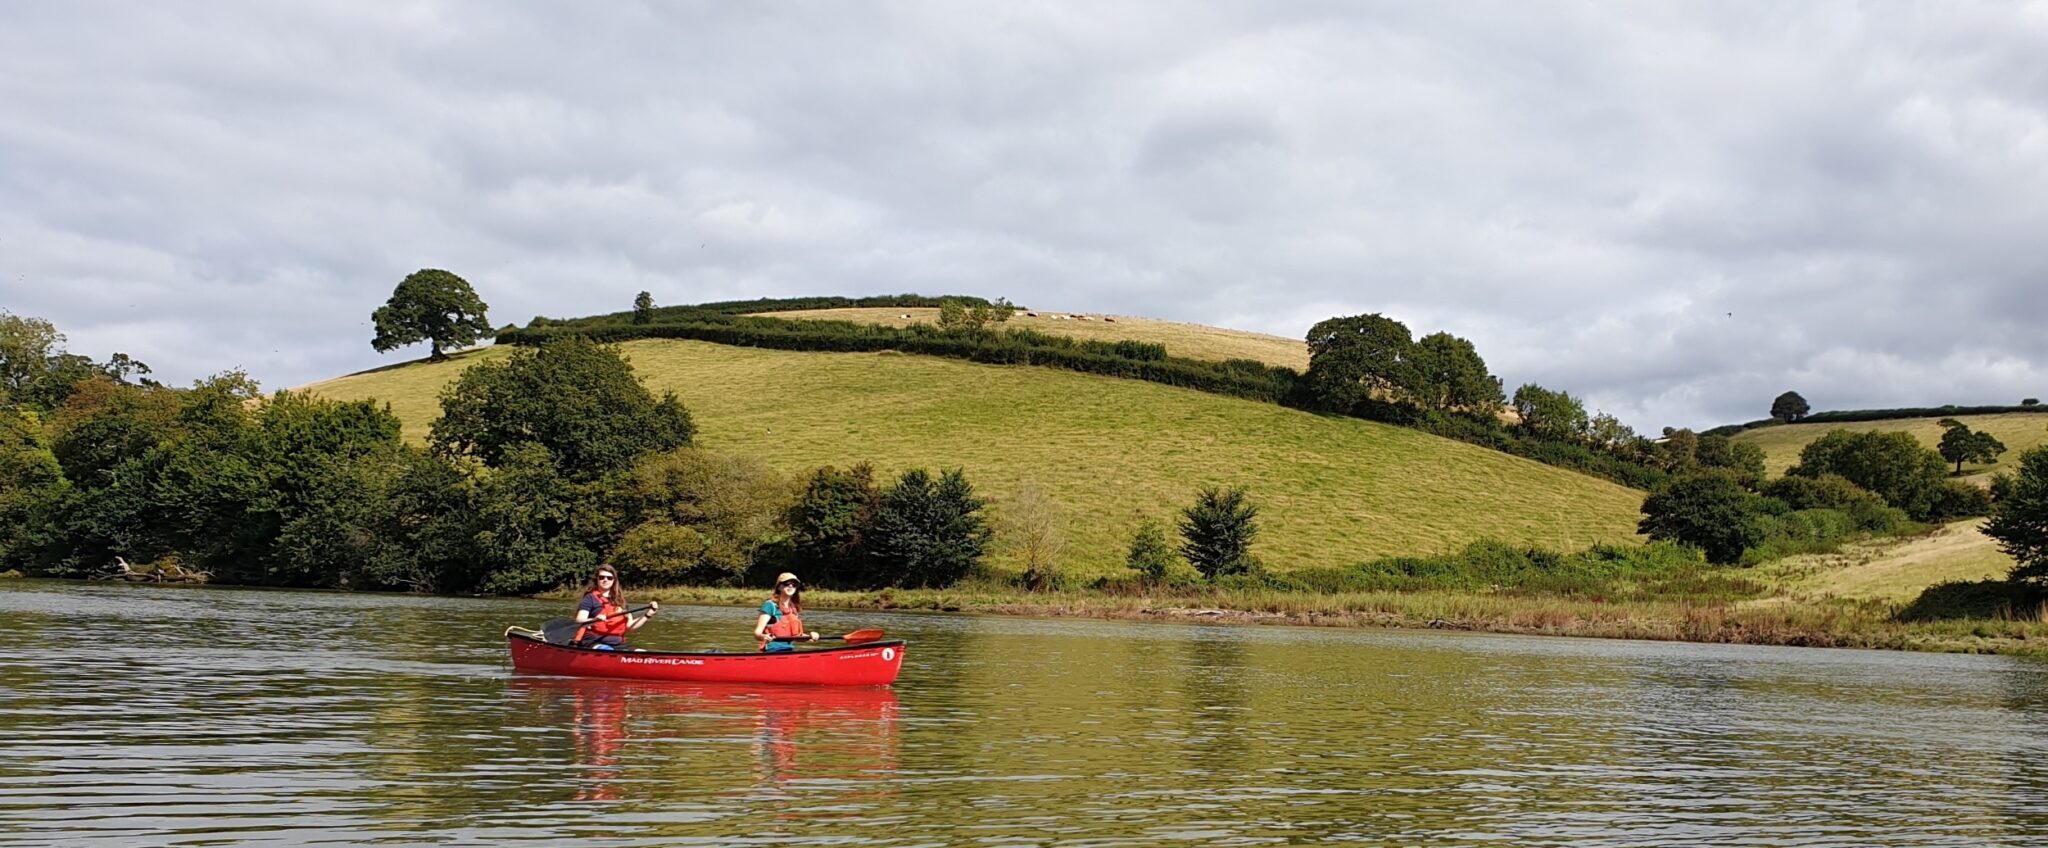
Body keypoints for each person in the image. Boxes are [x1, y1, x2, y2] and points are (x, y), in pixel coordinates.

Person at [574, 565, 657, 650]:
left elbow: (631, 627)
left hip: (617, 644)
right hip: (594, 641)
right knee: (607, 650)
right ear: (597, 580)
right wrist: (595, 619)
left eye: (609, 578)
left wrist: (647, 614)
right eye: (602, 577)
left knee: (643, 652)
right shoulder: (590, 598)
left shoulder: (621, 601)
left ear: (614, 580)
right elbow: (579, 619)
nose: (605, 580)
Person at [754, 572, 819, 652]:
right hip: (772, 651)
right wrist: (763, 636)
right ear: (779, 587)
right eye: (787, 583)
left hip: (788, 650)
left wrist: (810, 636)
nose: (791, 586)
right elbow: (757, 634)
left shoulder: (793, 609)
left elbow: (797, 637)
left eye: (794, 584)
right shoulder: (770, 606)